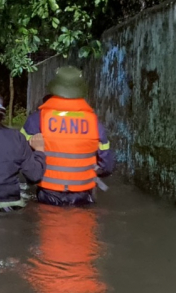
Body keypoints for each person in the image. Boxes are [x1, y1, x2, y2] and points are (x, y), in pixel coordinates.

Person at [21, 66, 114, 207]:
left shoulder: (38, 119)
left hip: (48, 194)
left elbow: (20, 152)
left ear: (55, 88)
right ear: (80, 89)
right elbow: (107, 165)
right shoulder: (94, 122)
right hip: (83, 194)